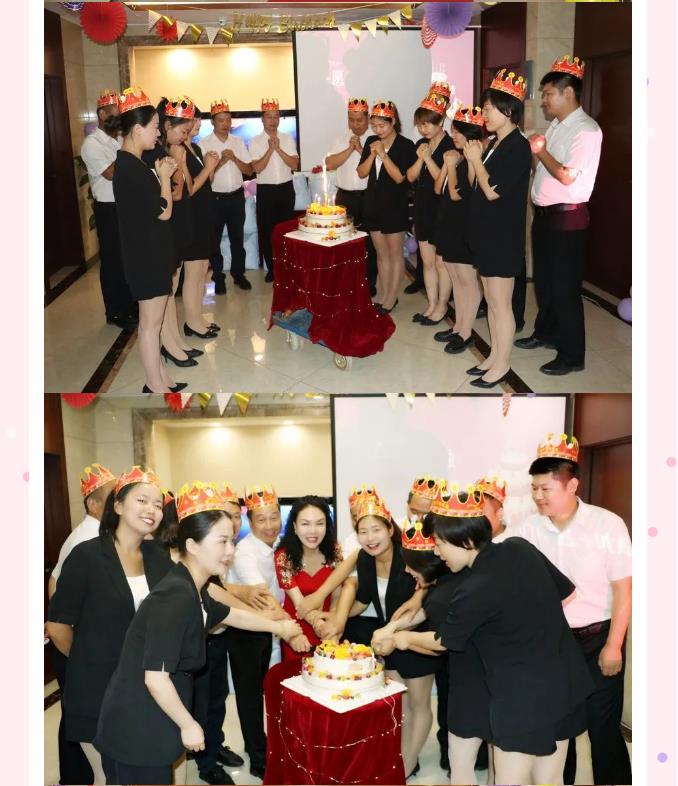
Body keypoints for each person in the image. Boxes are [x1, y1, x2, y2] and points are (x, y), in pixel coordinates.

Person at [93, 482, 302, 785]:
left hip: (155, 713)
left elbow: (230, 614)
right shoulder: (175, 596)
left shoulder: (193, 585)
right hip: (137, 722)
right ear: (192, 545)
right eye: (222, 542)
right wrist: (188, 724)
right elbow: (155, 678)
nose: (230, 551)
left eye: (232, 541)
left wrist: (278, 627)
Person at [428, 483, 594, 785]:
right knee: (551, 780)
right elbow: (564, 592)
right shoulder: (520, 547)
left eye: (439, 543)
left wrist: (401, 638)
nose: (437, 552)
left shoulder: (474, 587)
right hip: (564, 683)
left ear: (466, 539)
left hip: (522, 699)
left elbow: (443, 641)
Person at [508, 433, 632, 784]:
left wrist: (614, 645)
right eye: (534, 488)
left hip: (599, 637)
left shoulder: (607, 525)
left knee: (602, 727)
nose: (537, 496)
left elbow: (624, 590)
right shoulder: (528, 529)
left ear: (572, 485)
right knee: (561, 725)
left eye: (545, 488)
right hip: (554, 642)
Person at [46, 466, 173, 783]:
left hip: (145, 689)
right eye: (142, 500)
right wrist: (89, 659)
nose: (152, 509)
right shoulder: (86, 556)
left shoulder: (157, 556)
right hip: (96, 691)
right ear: (117, 505)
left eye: (158, 504)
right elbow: (58, 626)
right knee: (109, 777)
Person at [337, 494, 440, 778]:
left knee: (419, 704)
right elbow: (364, 600)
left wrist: (397, 627)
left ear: (390, 528)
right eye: (363, 531)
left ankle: (408, 762)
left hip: (417, 636)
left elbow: (427, 592)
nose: (370, 538)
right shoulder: (364, 560)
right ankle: (401, 757)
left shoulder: (409, 553)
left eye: (376, 529)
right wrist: (336, 618)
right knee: (400, 704)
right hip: (388, 639)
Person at [515, 56, 603, 376]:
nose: (544, 100)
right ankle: (546, 333)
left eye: (548, 93)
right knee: (545, 282)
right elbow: (543, 168)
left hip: (567, 218)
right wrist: (534, 153)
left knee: (565, 288)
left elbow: (566, 176)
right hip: (544, 215)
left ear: (568, 93)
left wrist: (541, 151)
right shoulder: (556, 125)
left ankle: (572, 354)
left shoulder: (586, 130)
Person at [112, 87, 186, 393]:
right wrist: (165, 178)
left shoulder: (135, 163)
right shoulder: (129, 167)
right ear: (137, 129)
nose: (158, 134)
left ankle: (161, 378)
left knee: (153, 323)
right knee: (150, 325)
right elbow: (164, 211)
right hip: (146, 257)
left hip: (152, 252)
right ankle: (154, 383)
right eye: (155, 127)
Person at [46, 463, 117, 786]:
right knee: (79, 716)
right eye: (114, 498)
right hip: (73, 643)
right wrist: (76, 643)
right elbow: (57, 591)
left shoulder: (101, 535)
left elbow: (54, 579)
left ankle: (77, 776)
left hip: (84, 642)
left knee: (78, 714)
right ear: (94, 504)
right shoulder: (87, 539)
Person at [465, 69, 532, 388]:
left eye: (489, 109)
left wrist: (476, 160)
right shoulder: (495, 142)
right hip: (487, 234)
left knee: (501, 304)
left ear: (507, 110)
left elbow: (492, 191)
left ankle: (503, 364)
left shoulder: (518, 146)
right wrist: (477, 158)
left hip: (503, 237)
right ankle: (494, 355)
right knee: (491, 300)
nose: (484, 114)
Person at [225, 485, 287, 779]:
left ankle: (272, 743)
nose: (269, 525)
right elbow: (262, 594)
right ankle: (257, 755)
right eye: (261, 519)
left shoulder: (278, 546)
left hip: (271, 627)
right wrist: (290, 625)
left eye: (274, 517)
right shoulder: (244, 552)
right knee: (250, 696)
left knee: (270, 689)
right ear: (250, 522)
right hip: (246, 630)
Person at [144, 96, 213, 360]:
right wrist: (179, 168)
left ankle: (176, 340)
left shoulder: (171, 150)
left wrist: (180, 167)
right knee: (168, 288)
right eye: (183, 130)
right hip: (167, 224)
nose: (186, 135)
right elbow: (177, 193)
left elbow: (179, 190)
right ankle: (169, 342)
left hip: (179, 220)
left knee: (171, 288)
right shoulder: (156, 154)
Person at [80, 90, 137, 330]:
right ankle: (115, 311)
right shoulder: (91, 144)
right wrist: (128, 150)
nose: (120, 116)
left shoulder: (119, 139)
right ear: (102, 114)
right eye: (116, 112)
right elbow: (111, 173)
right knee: (113, 261)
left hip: (127, 206)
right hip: (108, 209)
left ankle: (131, 304)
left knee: (129, 258)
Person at [432, 106, 485, 356]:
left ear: (469, 133)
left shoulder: (474, 157)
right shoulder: (460, 156)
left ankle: (466, 332)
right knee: (456, 280)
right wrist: (449, 164)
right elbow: (439, 189)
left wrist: (451, 166)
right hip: (449, 225)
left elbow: (456, 194)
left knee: (467, 283)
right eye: (452, 130)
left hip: (464, 228)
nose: (453, 135)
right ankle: (458, 327)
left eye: (457, 131)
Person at [358, 100, 417, 314]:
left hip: (394, 206)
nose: (377, 130)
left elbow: (400, 178)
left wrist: (383, 155)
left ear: (393, 122)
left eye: (381, 125)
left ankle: (392, 298)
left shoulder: (405, 145)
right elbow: (362, 172)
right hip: (373, 205)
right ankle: (384, 295)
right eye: (374, 125)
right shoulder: (371, 141)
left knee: (395, 254)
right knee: (381, 254)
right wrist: (373, 154)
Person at [274, 496, 344, 658]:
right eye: (305, 524)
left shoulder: (335, 552)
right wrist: (319, 625)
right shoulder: (283, 557)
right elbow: (300, 603)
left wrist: (332, 626)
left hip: (329, 634)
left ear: (327, 525)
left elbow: (337, 595)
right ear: (295, 526)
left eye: (319, 523)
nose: (313, 531)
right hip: (296, 636)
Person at [407, 93, 454, 325]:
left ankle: (442, 306)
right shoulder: (421, 145)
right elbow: (410, 176)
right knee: (426, 261)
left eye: (427, 124)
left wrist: (427, 159)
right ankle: (432, 303)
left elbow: (442, 181)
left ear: (441, 121)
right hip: (423, 207)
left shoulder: (450, 146)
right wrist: (420, 157)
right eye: (420, 125)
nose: (423, 129)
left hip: (443, 209)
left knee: (440, 263)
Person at [200, 99, 254, 294]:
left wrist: (234, 158)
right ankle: (218, 277)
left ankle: (239, 275)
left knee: (237, 238)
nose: (225, 123)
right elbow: (205, 178)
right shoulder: (204, 144)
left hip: (236, 197)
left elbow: (249, 170)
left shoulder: (238, 142)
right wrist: (222, 161)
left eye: (228, 119)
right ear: (213, 122)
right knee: (214, 241)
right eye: (221, 120)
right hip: (214, 199)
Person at [325, 97, 377, 295]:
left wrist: (361, 149)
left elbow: (379, 166)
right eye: (351, 120)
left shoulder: (375, 138)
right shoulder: (341, 138)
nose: (355, 124)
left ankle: (369, 284)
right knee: (345, 242)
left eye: (359, 120)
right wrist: (350, 148)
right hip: (345, 198)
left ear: (368, 118)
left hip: (369, 197)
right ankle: (347, 282)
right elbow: (330, 164)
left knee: (369, 243)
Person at [249, 98, 299, 282]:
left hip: (286, 189)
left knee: (287, 230)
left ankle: (287, 267)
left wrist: (279, 149)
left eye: (276, 116)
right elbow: (257, 168)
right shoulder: (255, 141)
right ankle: (272, 269)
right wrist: (270, 150)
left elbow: (294, 164)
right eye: (269, 117)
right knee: (267, 231)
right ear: (262, 119)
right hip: (266, 191)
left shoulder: (287, 138)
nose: (273, 120)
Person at [181, 106, 221, 337]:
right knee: (193, 273)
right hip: (191, 216)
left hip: (204, 212)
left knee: (203, 270)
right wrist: (208, 167)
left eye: (198, 120)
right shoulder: (178, 151)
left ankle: (197, 318)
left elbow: (207, 180)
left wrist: (211, 166)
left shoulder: (194, 147)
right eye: (194, 120)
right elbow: (189, 189)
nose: (198, 124)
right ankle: (191, 322)